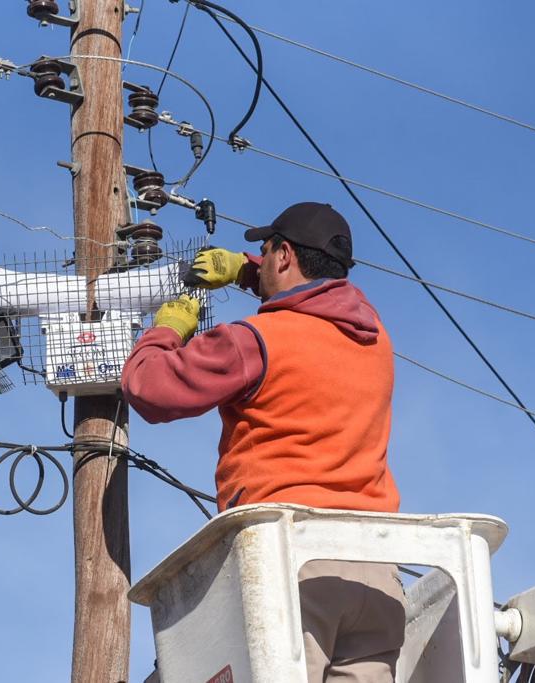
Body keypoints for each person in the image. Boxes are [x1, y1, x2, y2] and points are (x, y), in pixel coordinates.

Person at [121, 202, 406, 682]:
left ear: (285, 254)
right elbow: (322, 298)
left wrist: (166, 330)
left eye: (266, 249)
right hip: (377, 579)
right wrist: (244, 271)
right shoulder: (374, 335)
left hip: (292, 566)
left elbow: (149, 390)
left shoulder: (252, 341)